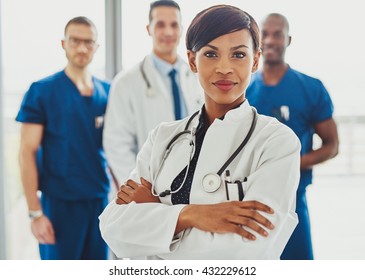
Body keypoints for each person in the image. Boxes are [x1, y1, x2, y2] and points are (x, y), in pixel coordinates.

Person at [99, 5, 301, 260]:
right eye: (211, 54)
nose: (224, 67)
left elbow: (244, 251)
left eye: (238, 55)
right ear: (193, 60)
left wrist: (155, 216)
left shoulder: (277, 142)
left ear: (256, 61)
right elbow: (113, 227)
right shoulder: (162, 137)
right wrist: (192, 215)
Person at [246, 13, 339, 260]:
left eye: (277, 34)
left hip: (293, 200)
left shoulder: (310, 88)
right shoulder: (243, 91)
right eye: (264, 33)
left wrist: (292, 164)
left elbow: (332, 145)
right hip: (248, 201)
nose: (270, 40)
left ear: (288, 39)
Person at [16, 16, 110, 260]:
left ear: (96, 47)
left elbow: (116, 148)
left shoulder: (107, 92)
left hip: (100, 202)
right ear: (63, 43)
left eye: (88, 42)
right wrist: (35, 213)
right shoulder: (42, 91)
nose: (81, 48)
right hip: (59, 206)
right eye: (75, 41)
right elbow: (27, 151)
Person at [103, 0, 203, 186]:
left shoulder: (197, 76)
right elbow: (117, 145)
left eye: (174, 25)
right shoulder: (126, 82)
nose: (168, 32)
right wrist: (139, 187)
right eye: (160, 25)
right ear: (149, 29)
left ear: (181, 29)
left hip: (196, 180)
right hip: (149, 184)